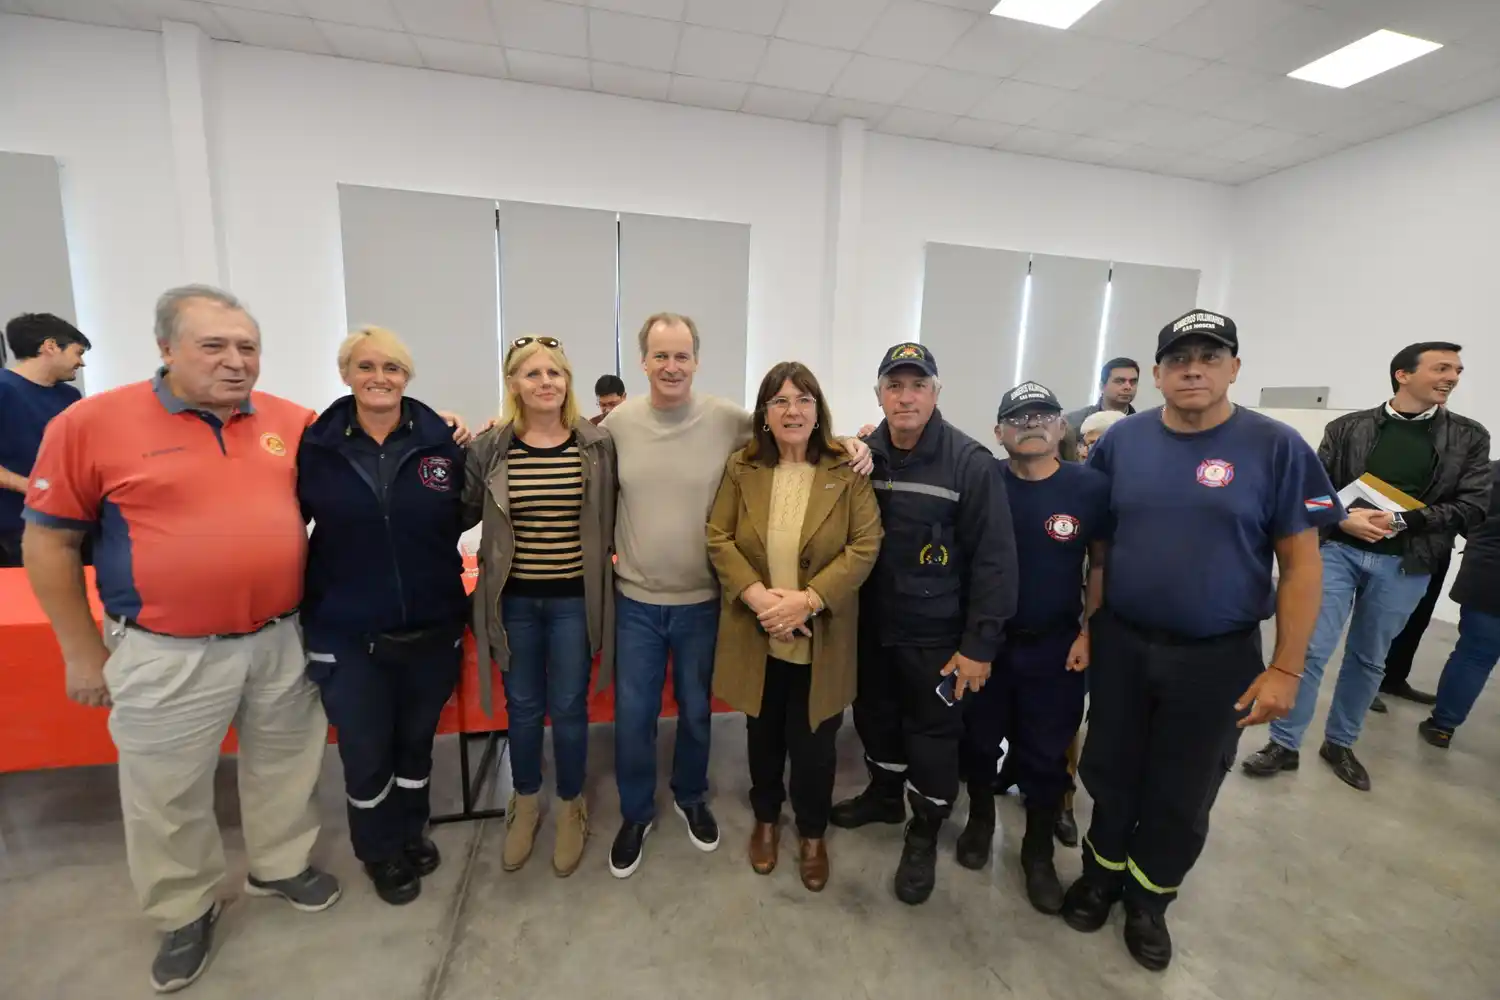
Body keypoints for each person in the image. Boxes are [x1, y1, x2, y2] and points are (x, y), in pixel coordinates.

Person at [21, 285, 341, 994]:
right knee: (165, 790)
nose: (236, 362)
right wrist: (81, 650)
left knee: (286, 765)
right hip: (166, 648)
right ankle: (183, 907)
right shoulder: (92, 423)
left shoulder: (292, 422)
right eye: (214, 346)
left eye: (247, 347)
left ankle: (281, 865)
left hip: (280, 635)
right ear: (165, 349)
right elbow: (48, 544)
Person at [1063, 309, 1338, 972]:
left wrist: (1287, 670)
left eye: (1211, 357)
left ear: (1234, 368)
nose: (1193, 368)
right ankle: (1100, 876)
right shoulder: (1122, 442)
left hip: (1217, 654)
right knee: (1110, 768)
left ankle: (1150, 899)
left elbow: (1302, 566)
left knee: (1182, 788)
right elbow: (1100, 545)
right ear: (1155, 373)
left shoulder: (1275, 446)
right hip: (1124, 643)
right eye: (1179, 358)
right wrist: (1089, 625)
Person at [602, 312, 871, 879]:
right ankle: (636, 814)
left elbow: (798, 435)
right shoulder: (616, 426)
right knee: (635, 717)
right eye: (660, 355)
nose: (671, 366)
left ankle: (695, 797)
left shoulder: (731, 422)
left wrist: (850, 440)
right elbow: (557, 440)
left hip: (708, 603)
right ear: (643, 361)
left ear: (697, 360)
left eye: (682, 355)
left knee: (704, 714)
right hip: (645, 602)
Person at [1243, 341, 1491, 791]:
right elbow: (1311, 491)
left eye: (1457, 369)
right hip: (1337, 551)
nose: (1452, 377)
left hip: (1408, 562)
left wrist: (1404, 520)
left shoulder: (1470, 437)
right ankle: (1284, 743)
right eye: (1441, 368)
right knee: (1311, 649)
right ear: (1403, 375)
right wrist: (1342, 518)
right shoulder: (1347, 428)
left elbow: (1473, 505)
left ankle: (1340, 742)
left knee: (1369, 657)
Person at [828, 341, 1016, 906]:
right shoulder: (865, 454)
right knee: (876, 721)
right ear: (879, 393)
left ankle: (924, 829)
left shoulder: (970, 463)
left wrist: (980, 646)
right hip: (873, 630)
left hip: (937, 638)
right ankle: (884, 795)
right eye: (894, 385)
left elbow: (995, 561)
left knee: (933, 741)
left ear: (936, 392)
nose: (905, 396)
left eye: (917, 385)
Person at [296, 326, 475, 906]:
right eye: (366, 366)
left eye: (392, 368)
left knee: (416, 744)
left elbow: (461, 513)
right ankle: (378, 850)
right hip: (349, 630)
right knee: (367, 751)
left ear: (408, 376)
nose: (380, 378)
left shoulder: (442, 441)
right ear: (346, 373)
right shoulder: (314, 446)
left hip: (432, 620)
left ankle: (410, 828)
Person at [706, 362, 882, 892]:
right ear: (764, 414)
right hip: (759, 632)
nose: (792, 410)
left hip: (819, 634)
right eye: (779, 401)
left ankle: (811, 832)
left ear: (818, 410)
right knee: (762, 735)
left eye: (803, 399)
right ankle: (765, 819)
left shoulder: (846, 470)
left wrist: (807, 601)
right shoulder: (743, 468)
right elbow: (719, 536)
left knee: (815, 744)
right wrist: (762, 601)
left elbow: (865, 545)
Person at [464, 336, 616, 878]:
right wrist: (444, 436)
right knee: (524, 707)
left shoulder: (596, 444)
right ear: (513, 385)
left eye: (555, 372)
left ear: (567, 382)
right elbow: (456, 510)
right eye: (532, 374)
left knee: (571, 707)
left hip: (575, 599)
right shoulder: (490, 448)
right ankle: (526, 802)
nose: (545, 381)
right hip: (515, 602)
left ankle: (570, 804)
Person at [958, 381, 1108, 913]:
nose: (1031, 424)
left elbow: (1100, 564)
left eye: (1043, 415)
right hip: (985, 648)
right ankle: (979, 820)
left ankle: (1037, 853)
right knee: (977, 745)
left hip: (1055, 648)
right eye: (1017, 418)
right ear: (998, 433)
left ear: (1062, 426)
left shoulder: (1088, 487)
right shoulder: (983, 481)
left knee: (1045, 758)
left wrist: (1089, 632)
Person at [1418, 459, 1500, 748]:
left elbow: (1466, 516)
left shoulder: (1491, 473)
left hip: (1488, 576)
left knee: (1474, 656)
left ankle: (1443, 726)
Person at [0, 313, 89, 566]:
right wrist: (32, 488)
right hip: (16, 529)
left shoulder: (70, 396)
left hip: (72, 525)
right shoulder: (3, 389)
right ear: (50, 347)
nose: (81, 362)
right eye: (77, 352)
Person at [1064, 356, 1138, 437]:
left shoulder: (1143, 425)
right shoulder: (1073, 423)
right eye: (1120, 381)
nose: (1128, 387)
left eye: (1133, 382)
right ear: (1102, 386)